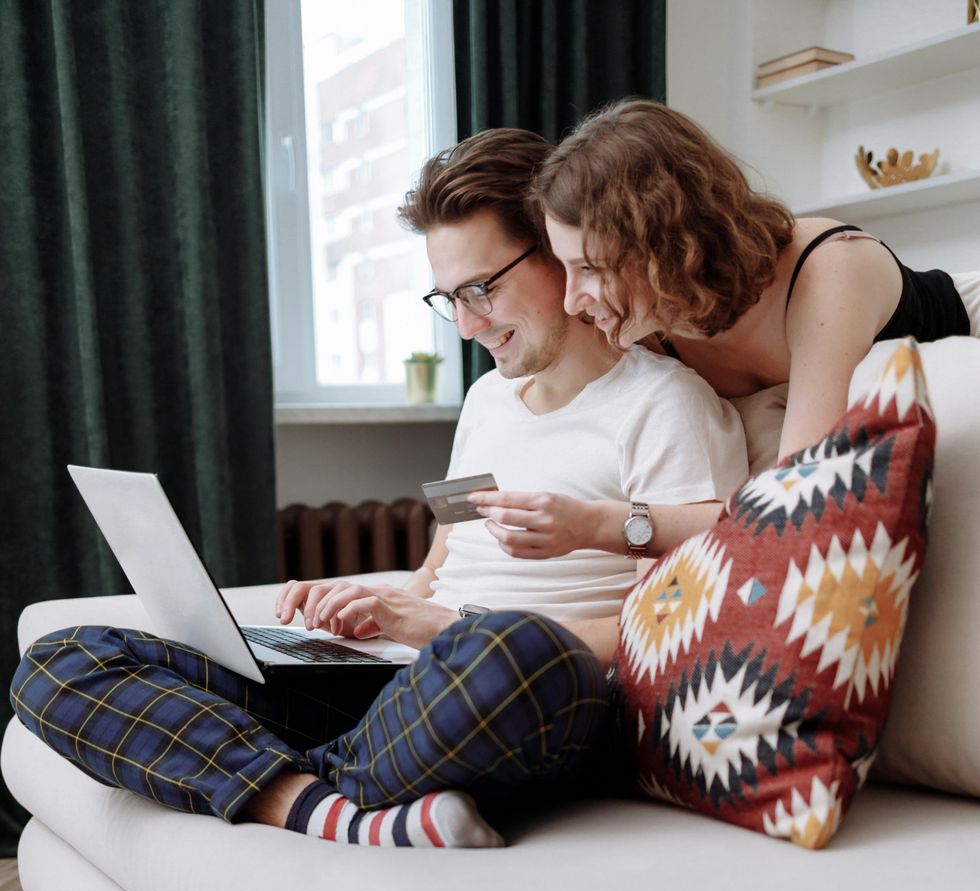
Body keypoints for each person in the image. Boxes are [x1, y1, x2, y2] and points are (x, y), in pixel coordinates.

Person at [11, 129, 746, 851]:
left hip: (532, 695)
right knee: (62, 659)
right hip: (408, 685)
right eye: (448, 298)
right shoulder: (488, 400)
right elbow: (439, 564)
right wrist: (373, 613)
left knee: (513, 646)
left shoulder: (663, 405)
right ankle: (322, 807)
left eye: (482, 289)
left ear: (559, 251)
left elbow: (664, 629)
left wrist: (439, 630)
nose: (466, 324)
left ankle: (261, 769)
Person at [531, 98, 980, 461]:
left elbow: (802, 481)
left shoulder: (829, 271)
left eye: (590, 268)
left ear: (664, 244)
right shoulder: (646, 323)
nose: (572, 301)